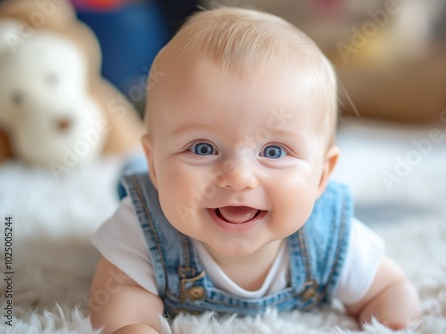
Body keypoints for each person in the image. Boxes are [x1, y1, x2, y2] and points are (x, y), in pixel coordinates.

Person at [88, 7, 420, 334]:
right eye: (203, 148)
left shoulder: (333, 236)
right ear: (155, 163)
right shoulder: (141, 226)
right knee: (130, 184)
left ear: (321, 175)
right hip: (156, 193)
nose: (238, 177)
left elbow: (387, 289)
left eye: (273, 152)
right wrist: (132, 325)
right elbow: (122, 297)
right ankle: (134, 169)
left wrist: (392, 322)